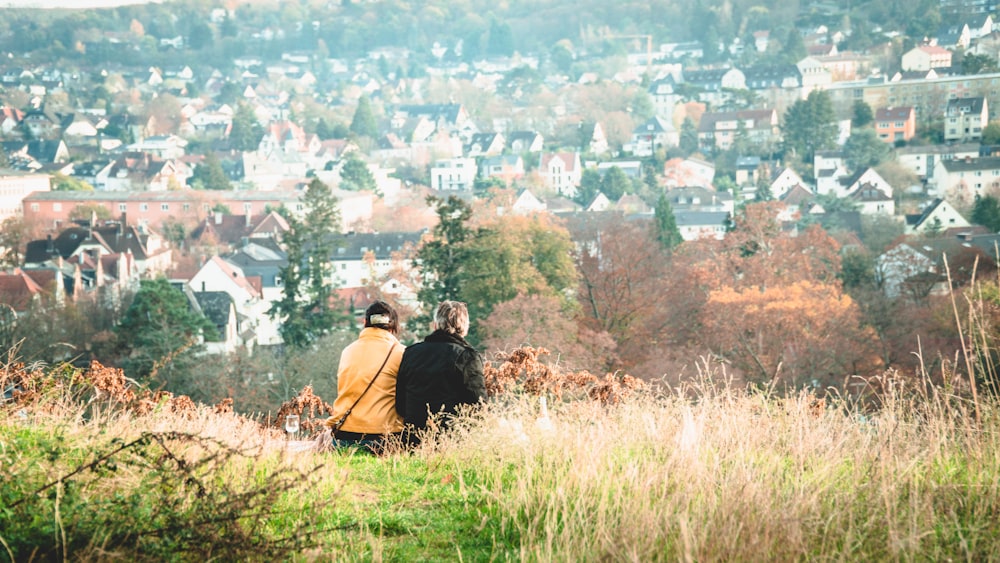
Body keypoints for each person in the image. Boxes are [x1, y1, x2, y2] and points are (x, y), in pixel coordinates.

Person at [395, 300, 487, 445]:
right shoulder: (467, 357)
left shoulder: (411, 353)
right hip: (451, 442)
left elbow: (400, 404)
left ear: (436, 325)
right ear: (464, 326)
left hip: (412, 440)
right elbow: (479, 406)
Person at [325, 301, 405, 455]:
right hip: (384, 438)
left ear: (364, 323)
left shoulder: (347, 351)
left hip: (343, 435)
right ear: (393, 326)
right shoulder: (400, 353)